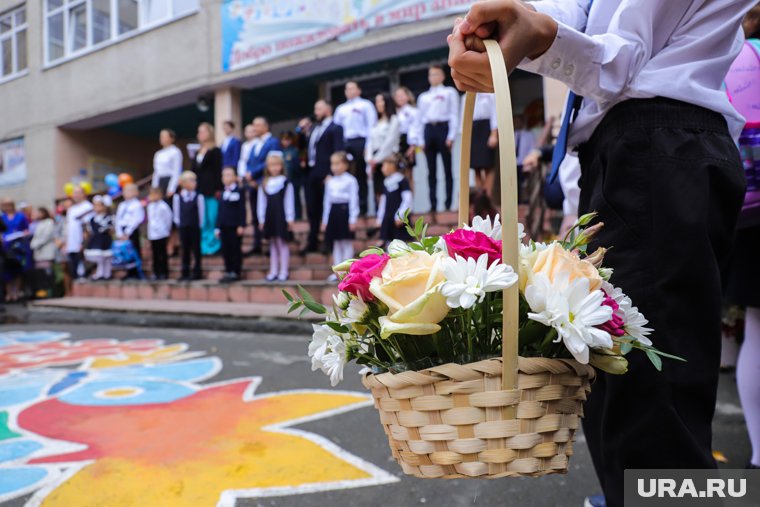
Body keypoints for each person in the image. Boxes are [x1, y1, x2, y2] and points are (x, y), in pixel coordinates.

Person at [448, 2, 753, 506]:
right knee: (617, 390)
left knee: (654, 407)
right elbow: (578, 15)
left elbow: (620, 60)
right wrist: (504, 29)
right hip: (631, 152)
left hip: (657, 145)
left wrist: (539, 36)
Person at [416, 65, 460, 214]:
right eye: (430, 75)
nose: (433, 77)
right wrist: (420, 140)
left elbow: (454, 114)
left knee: (447, 169)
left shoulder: (449, 92)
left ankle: (448, 203)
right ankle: (433, 204)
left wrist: (451, 136)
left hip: (443, 128)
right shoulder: (423, 97)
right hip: (429, 130)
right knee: (431, 170)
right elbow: (419, 119)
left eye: (436, 74)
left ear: (442, 76)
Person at [303, 100, 345, 254]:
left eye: (319, 108)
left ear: (328, 109)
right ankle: (312, 240)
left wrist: (332, 173)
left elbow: (338, 150)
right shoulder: (314, 128)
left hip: (326, 172)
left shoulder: (336, 127)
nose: (316, 111)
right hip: (312, 172)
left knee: (327, 207)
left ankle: (329, 242)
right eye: (315, 108)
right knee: (312, 207)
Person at [334, 81, 377, 216]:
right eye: (347, 89)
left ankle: (363, 207)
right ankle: (349, 207)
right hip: (346, 143)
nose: (350, 91)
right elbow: (337, 129)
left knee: (361, 175)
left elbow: (372, 126)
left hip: (361, 141)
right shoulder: (341, 109)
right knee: (347, 175)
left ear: (359, 90)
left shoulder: (365, 105)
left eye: (353, 88)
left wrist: (368, 146)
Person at [245, 116, 281, 256]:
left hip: (266, 183)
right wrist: (250, 176)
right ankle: (257, 242)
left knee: (269, 213)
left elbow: (271, 161)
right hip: (254, 183)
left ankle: (268, 242)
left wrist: (253, 174)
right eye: (254, 125)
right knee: (255, 214)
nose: (255, 128)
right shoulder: (254, 144)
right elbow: (250, 161)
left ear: (266, 126)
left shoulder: (273, 142)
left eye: (258, 125)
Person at [257, 152, 295, 282]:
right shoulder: (264, 183)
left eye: (277, 165)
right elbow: (261, 203)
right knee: (273, 243)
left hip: (281, 216)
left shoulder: (285, 182)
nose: (274, 168)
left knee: (282, 242)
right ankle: (273, 270)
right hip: (269, 216)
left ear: (281, 166)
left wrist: (290, 218)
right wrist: (261, 219)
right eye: (271, 165)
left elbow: (289, 201)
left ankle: (284, 271)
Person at [322, 151, 359, 282]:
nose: (335, 167)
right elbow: (327, 201)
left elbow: (354, 199)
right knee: (336, 243)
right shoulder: (330, 181)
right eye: (333, 164)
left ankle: (347, 271)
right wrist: (325, 219)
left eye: (338, 164)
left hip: (345, 211)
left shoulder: (351, 180)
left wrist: (353, 218)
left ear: (345, 165)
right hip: (334, 212)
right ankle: (337, 271)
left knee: (346, 242)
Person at [191, 122, 223, 256]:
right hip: (199, 190)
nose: (201, 134)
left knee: (212, 217)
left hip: (212, 189)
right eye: (199, 132)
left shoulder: (215, 150)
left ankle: (214, 245)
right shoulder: (197, 151)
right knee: (202, 219)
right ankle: (203, 245)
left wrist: (218, 188)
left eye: (203, 131)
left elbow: (217, 170)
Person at [365, 92, 400, 212]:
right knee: (377, 190)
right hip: (375, 160)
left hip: (387, 158)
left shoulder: (394, 120)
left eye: (381, 100)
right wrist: (369, 158)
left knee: (390, 190)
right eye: (377, 101)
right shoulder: (375, 122)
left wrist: (377, 159)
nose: (378, 104)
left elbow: (389, 142)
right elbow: (370, 141)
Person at [464, 93, 498, 196]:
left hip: (486, 128)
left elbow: (494, 114)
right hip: (472, 129)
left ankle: (487, 196)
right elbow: (464, 117)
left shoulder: (490, 94)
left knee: (488, 165)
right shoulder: (466, 96)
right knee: (476, 167)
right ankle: (480, 197)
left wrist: (494, 134)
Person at [173, 171, 205, 281]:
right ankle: (185, 272)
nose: (193, 183)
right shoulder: (178, 197)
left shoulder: (198, 196)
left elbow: (201, 213)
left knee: (196, 249)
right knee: (185, 249)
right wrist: (179, 224)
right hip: (183, 226)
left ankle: (197, 271)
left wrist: (200, 225)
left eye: (194, 180)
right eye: (191, 180)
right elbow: (176, 213)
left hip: (195, 226)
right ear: (183, 183)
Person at [216, 168, 246, 283]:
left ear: (235, 177)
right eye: (225, 175)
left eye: (229, 175)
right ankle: (228, 270)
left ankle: (235, 271)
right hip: (224, 227)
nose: (227, 177)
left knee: (235, 249)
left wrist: (241, 225)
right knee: (226, 250)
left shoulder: (239, 191)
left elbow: (242, 210)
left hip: (235, 226)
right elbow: (220, 212)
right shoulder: (223, 193)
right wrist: (217, 227)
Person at [375, 155, 413, 247]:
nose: (382, 169)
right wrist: (380, 217)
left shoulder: (402, 180)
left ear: (392, 166)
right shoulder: (386, 182)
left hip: (398, 218)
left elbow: (407, 199)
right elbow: (383, 201)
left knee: (401, 243)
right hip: (388, 217)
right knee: (389, 242)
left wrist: (400, 216)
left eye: (384, 166)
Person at [115, 183, 145, 280]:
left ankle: (137, 271)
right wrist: (119, 232)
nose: (126, 193)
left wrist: (128, 232)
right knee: (125, 253)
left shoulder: (136, 204)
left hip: (132, 230)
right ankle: (128, 271)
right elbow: (118, 219)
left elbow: (137, 219)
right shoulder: (122, 205)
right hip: (122, 230)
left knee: (134, 251)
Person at [1, 199, 30, 302]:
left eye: (9, 205)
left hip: (18, 246)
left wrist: (24, 234)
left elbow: (27, 229)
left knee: (18, 269)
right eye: (5, 205)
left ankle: (16, 292)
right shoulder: (2, 217)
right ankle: (9, 293)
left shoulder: (20, 216)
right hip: (5, 246)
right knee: (7, 271)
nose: (7, 207)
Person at [65, 186, 93, 284]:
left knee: (82, 258)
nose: (76, 195)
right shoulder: (71, 209)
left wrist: (84, 239)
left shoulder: (88, 206)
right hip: (72, 240)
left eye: (78, 192)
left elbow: (88, 225)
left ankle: (84, 276)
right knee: (73, 261)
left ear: (84, 194)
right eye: (74, 193)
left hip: (82, 239)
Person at [84, 195, 114, 281]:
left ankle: (107, 273)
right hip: (96, 240)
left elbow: (108, 229)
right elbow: (90, 230)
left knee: (106, 257)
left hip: (104, 240)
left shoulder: (108, 218)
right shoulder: (92, 219)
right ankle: (100, 273)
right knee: (99, 258)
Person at [146, 187, 173, 281]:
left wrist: (166, 229)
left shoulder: (163, 206)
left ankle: (163, 272)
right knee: (155, 254)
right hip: (153, 233)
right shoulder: (150, 206)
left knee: (162, 253)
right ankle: (156, 272)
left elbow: (168, 219)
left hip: (162, 232)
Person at [393, 87, 421, 174]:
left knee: (408, 171)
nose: (400, 98)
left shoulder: (413, 111)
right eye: (397, 96)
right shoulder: (394, 113)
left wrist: (413, 145)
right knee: (398, 171)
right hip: (396, 141)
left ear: (408, 96)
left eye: (402, 95)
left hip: (408, 140)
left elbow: (416, 128)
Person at [30, 207, 56, 298]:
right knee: (40, 274)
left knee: (47, 273)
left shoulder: (49, 222)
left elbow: (46, 236)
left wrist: (35, 244)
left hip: (46, 251)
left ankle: (50, 292)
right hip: (38, 252)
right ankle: (42, 292)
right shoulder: (39, 223)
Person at [151, 129, 183, 198]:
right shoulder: (158, 153)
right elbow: (156, 172)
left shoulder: (175, 151)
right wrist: (154, 187)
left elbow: (176, 171)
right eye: (161, 136)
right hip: (160, 182)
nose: (162, 139)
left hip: (169, 181)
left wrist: (172, 188)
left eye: (165, 136)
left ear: (172, 139)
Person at [281, 132, 304, 220]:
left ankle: (298, 217)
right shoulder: (281, 151)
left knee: (296, 198)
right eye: (283, 140)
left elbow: (297, 166)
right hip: (285, 180)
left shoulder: (295, 151)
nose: (285, 142)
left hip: (294, 179)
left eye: (287, 139)